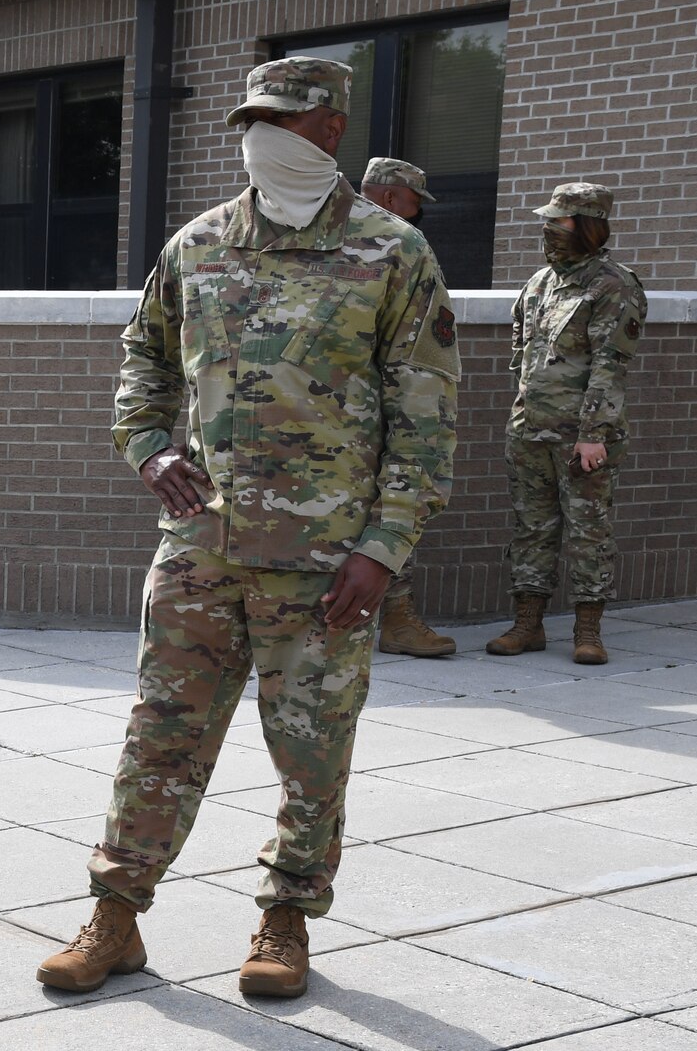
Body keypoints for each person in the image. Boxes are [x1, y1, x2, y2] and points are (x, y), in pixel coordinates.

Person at [36, 58, 459, 1001]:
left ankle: (285, 918)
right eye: (251, 118)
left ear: (331, 129)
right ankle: (115, 914)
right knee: (160, 733)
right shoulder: (200, 244)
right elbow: (141, 358)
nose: (260, 133)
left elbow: (426, 422)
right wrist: (150, 449)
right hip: (203, 548)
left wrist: (382, 552)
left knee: (311, 749)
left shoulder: (394, 255)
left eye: (283, 118)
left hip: (327, 563)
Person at [485, 182, 643, 666]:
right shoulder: (539, 284)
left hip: (582, 438)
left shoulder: (613, 284)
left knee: (588, 531)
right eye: (547, 221)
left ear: (588, 226)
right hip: (530, 431)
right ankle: (527, 624)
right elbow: (521, 351)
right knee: (532, 528)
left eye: (559, 222)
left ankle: (588, 628)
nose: (548, 230)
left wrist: (593, 434)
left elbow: (610, 365)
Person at [360, 156, 458, 659]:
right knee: (395, 506)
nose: (418, 213)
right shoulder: (397, 247)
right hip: (376, 414)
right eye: (415, 201)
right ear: (392, 197)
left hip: (350, 414)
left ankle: (392, 619)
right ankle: (395, 619)